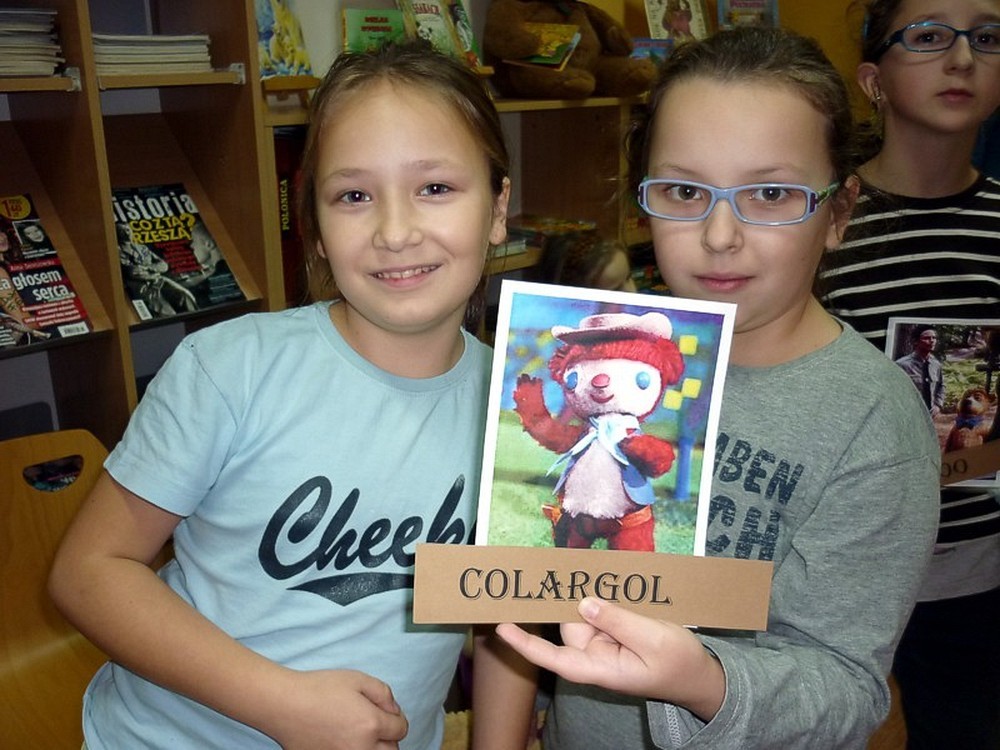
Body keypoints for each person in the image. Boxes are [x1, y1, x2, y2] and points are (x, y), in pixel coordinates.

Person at [472, 26, 942, 750]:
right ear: (645, 201)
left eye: (772, 193)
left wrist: (703, 680)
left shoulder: (873, 420)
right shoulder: (607, 358)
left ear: (839, 212)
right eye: (686, 191)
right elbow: (531, 577)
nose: (721, 235)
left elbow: (848, 688)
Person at [48, 40, 511, 750]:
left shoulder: (526, 412)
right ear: (315, 230)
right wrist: (280, 704)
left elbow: (511, 611)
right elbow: (88, 573)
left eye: (436, 188)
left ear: (498, 207)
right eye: (354, 196)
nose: (395, 232)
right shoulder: (229, 369)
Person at [817, 1, 1000, 747]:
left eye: (987, 37)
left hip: (972, 575)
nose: (962, 58)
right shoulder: (824, 219)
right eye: (928, 37)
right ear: (874, 80)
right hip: (837, 570)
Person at [894, 326, 945, 415]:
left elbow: (941, 385)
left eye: (934, 338)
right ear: (915, 341)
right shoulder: (902, 364)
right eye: (926, 338)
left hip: (929, 414)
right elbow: (894, 391)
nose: (932, 341)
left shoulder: (935, 364)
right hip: (909, 413)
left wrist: (938, 405)